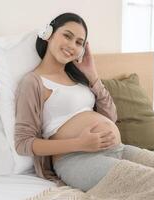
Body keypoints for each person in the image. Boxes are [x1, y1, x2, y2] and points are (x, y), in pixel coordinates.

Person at [14, 12, 123, 190]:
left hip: (116, 150)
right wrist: (80, 143)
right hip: (74, 160)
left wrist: (93, 76)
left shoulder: (79, 78)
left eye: (79, 42)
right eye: (67, 36)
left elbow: (110, 117)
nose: (72, 46)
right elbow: (23, 143)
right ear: (49, 34)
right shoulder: (32, 82)